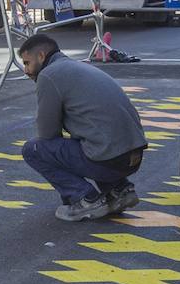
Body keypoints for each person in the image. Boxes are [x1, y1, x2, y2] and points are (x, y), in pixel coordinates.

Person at [18, 34, 147, 221]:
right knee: (88, 139)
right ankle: (120, 190)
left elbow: (47, 134)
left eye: (27, 63)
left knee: (34, 149)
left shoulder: (48, 75)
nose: (26, 70)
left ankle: (86, 200)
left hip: (108, 159)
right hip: (132, 156)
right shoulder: (79, 67)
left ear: (41, 56)